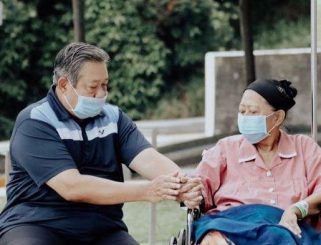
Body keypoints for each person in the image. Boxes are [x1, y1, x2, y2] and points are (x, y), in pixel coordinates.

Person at [0, 42, 202, 245]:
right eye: (93, 87)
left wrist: (183, 185)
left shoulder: (114, 118)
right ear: (64, 85)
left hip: (101, 230)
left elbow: (148, 159)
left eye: (105, 85)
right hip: (36, 225)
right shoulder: (35, 121)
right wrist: (148, 190)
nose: (101, 94)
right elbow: (72, 187)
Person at [190, 79, 321, 244]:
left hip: (288, 230)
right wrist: (190, 192)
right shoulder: (226, 148)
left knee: (278, 236)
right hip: (232, 225)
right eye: (242, 111)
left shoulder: (305, 148)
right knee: (212, 239)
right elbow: (197, 184)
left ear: (277, 118)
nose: (245, 117)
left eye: (253, 112)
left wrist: (295, 209)